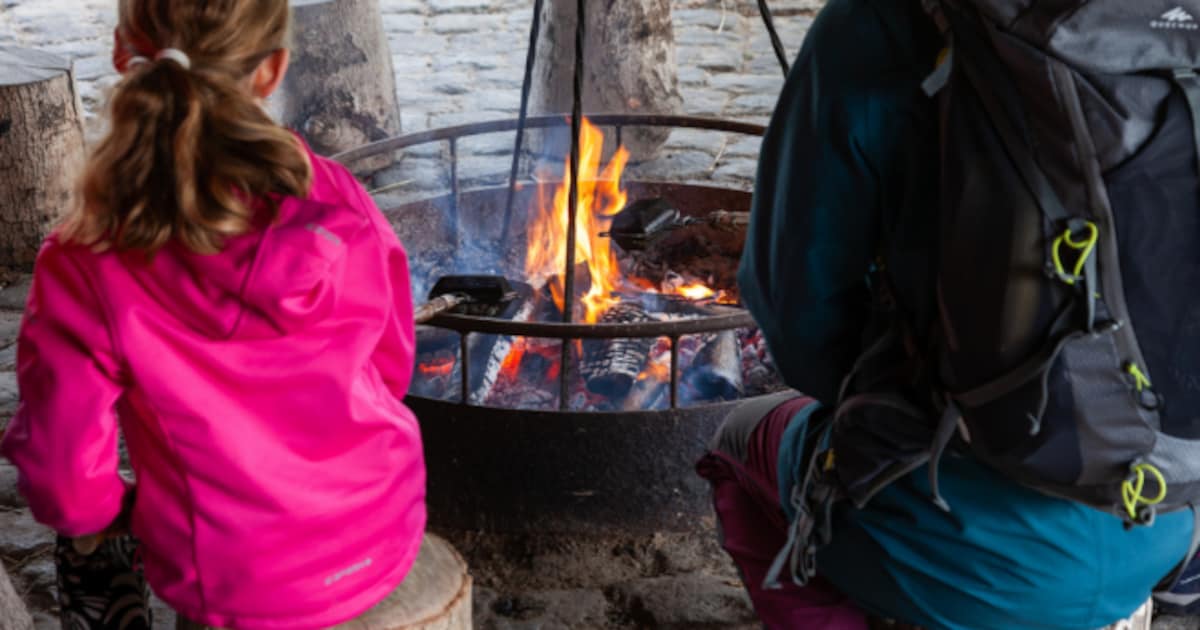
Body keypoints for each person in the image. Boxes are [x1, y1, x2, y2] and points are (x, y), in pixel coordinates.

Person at [697, 0, 1194, 628]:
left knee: (738, 442)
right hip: (1166, 510)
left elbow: (800, 331)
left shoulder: (876, 24)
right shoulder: (1175, 23)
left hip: (972, 543)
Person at [0, 0, 425, 627]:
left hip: (231, 578)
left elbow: (64, 474)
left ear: (124, 55)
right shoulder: (337, 194)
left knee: (89, 539)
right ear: (274, 68)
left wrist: (101, 516)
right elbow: (391, 364)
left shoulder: (87, 258)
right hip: (384, 526)